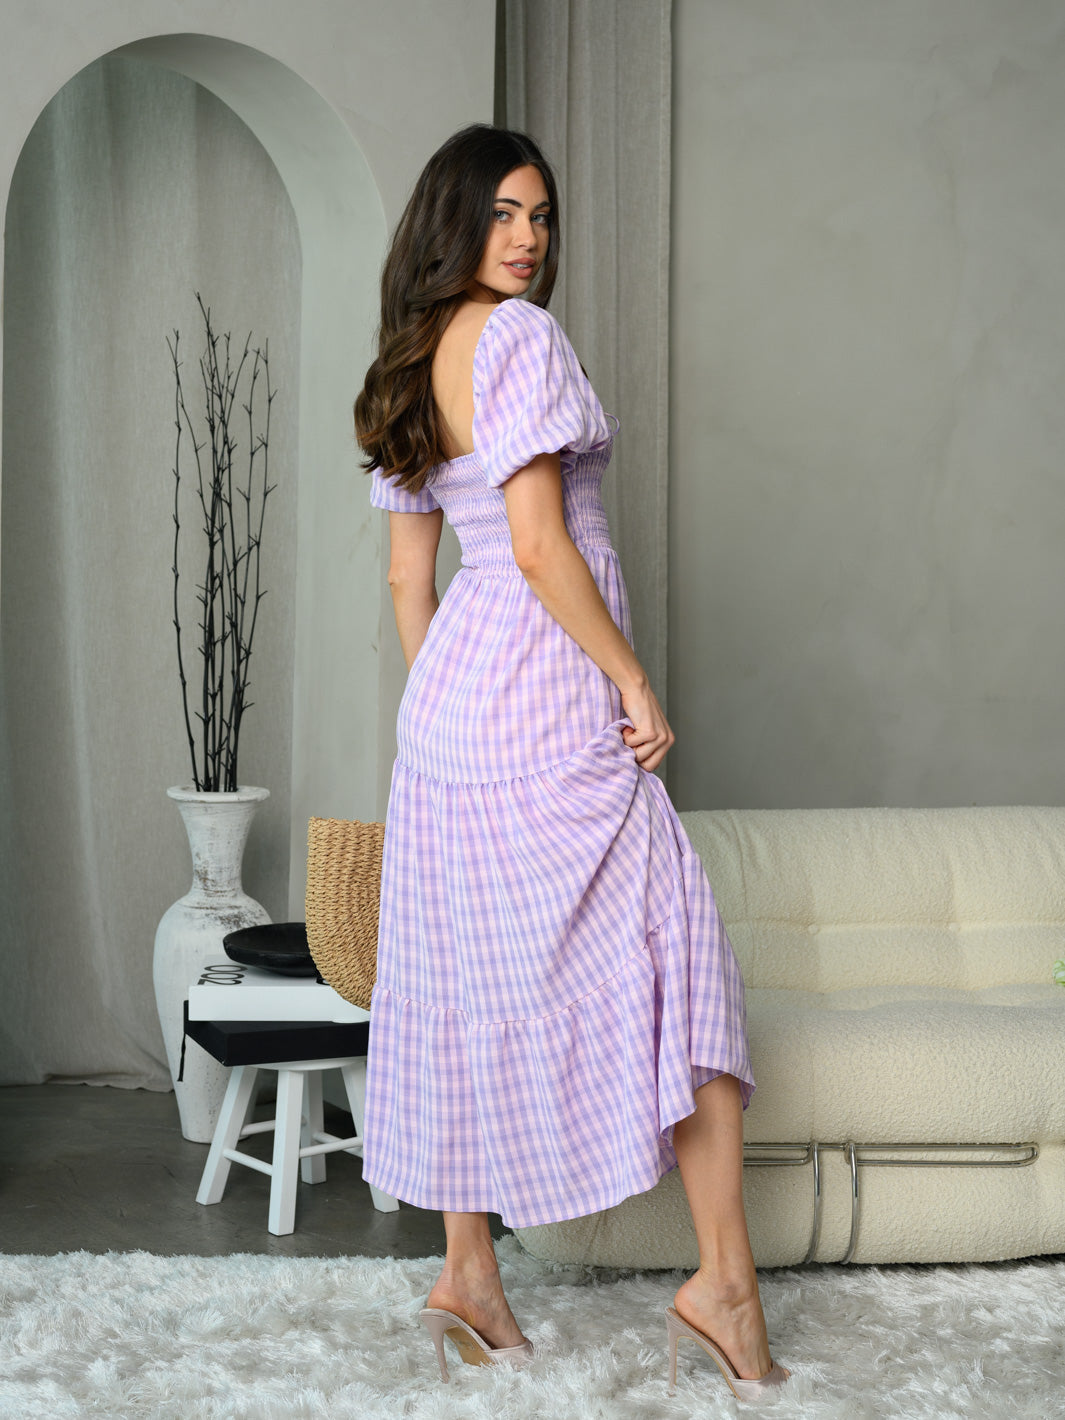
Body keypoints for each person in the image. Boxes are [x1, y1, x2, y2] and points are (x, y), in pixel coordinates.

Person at [354, 124, 789, 1400]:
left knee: (462, 973)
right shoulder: (521, 338)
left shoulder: (409, 358)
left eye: (540, 215)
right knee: (680, 951)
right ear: (454, 221)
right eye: (501, 213)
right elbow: (541, 543)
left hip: (450, 713)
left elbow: (409, 579)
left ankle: (470, 1272)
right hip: (546, 691)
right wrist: (629, 679)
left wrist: (451, 714)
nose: (528, 237)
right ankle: (725, 1284)